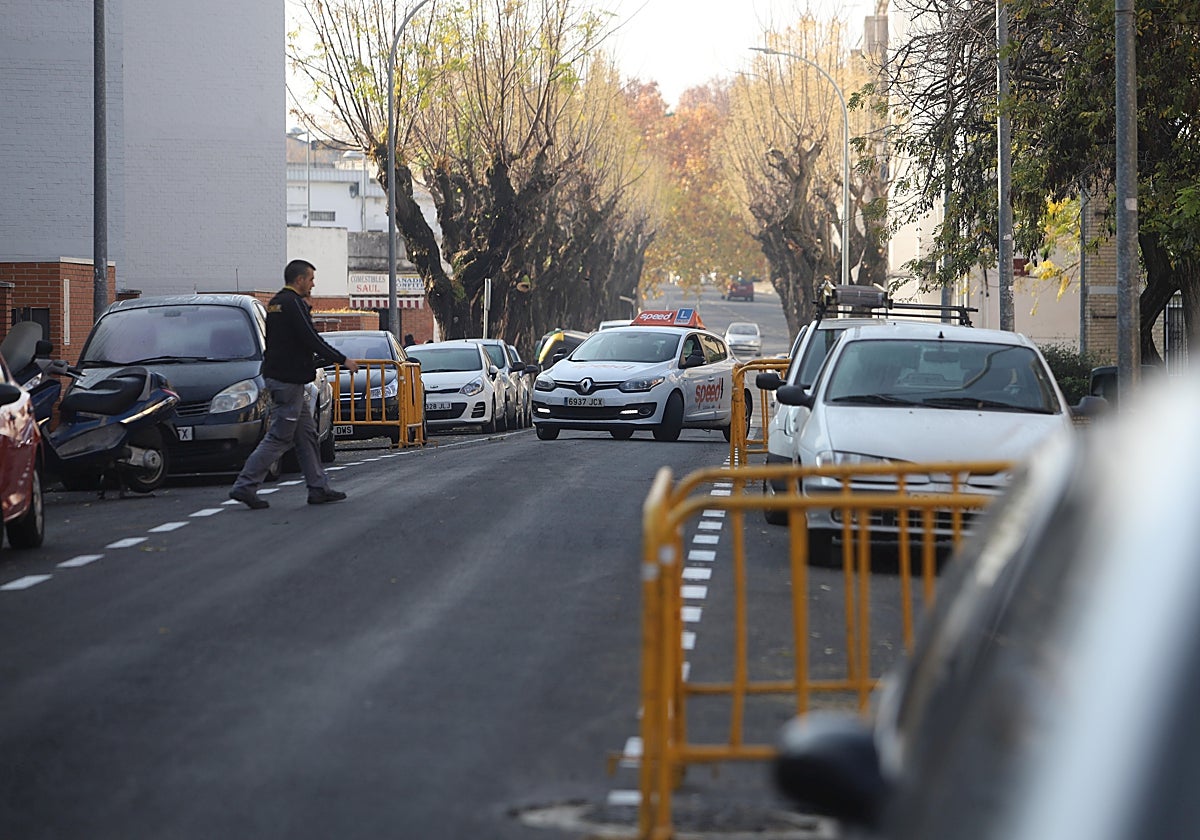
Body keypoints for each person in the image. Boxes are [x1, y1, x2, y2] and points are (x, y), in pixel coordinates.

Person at [229, 259, 359, 509]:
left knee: (307, 435)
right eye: (310, 279)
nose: (313, 284)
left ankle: (318, 488)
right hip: (288, 381)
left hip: (282, 378)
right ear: (299, 280)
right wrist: (342, 359)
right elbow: (310, 338)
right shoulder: (292, 303)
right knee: (279, 436)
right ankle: (245, 486)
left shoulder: (276, 302)